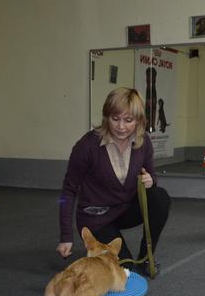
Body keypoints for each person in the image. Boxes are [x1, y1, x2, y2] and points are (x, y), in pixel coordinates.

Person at [57, 87, 171, 276]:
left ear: (139, 120)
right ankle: (123, 256)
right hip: (97, 218)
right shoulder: (87, 146)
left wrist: (150, 180)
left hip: (125, 210)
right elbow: (68, 192)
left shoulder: (144, 142)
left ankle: (145, 258)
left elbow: (151, 177)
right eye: (115, 118)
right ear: (106, 117)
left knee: (160, 198)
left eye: (128, 120)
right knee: (126, 271)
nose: (121, 127)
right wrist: (65, 236)